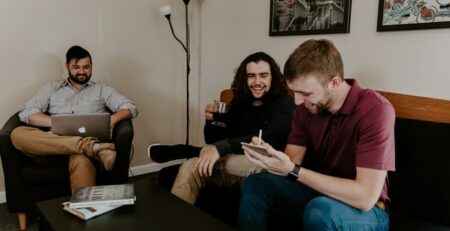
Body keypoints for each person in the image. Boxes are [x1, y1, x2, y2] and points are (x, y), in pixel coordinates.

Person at [238, 39, 395, 231]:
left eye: (305, 93)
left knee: (320, 211)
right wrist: (270, 157)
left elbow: (365, 197)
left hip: (369, 211)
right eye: (294, 92)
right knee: (257, 184)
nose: (297, 101)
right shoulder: (304, 110)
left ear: (334, 82)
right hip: (319, 194)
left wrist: (293, 170)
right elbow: (290, 161)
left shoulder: (375, 110)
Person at [149, 52, 295, 204]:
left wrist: (221, 148)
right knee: (190, 166)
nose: (257, 81)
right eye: (251, 76)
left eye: (263, 75)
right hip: (234, 164)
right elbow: (214, 140)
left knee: (209, 154)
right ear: (244, 78)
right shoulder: (241, 102)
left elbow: (271, 137)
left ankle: (185, 150)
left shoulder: (285, 103)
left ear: (273, 77)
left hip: (262, 165)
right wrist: (212, 121)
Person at [10, 45, 138, 193]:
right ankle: (92, 146)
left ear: (92, 66)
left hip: (82, 154)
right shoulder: (52, 88)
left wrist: (113, 119)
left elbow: (130, 107)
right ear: (67, 66)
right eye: (76, 67)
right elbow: (27, 112)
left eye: (86, 67)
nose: (82, 71)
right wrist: (55, 122)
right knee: (17, 134)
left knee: (81, 160)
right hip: (52, 148)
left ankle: (84, 211)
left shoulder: (102, 89)